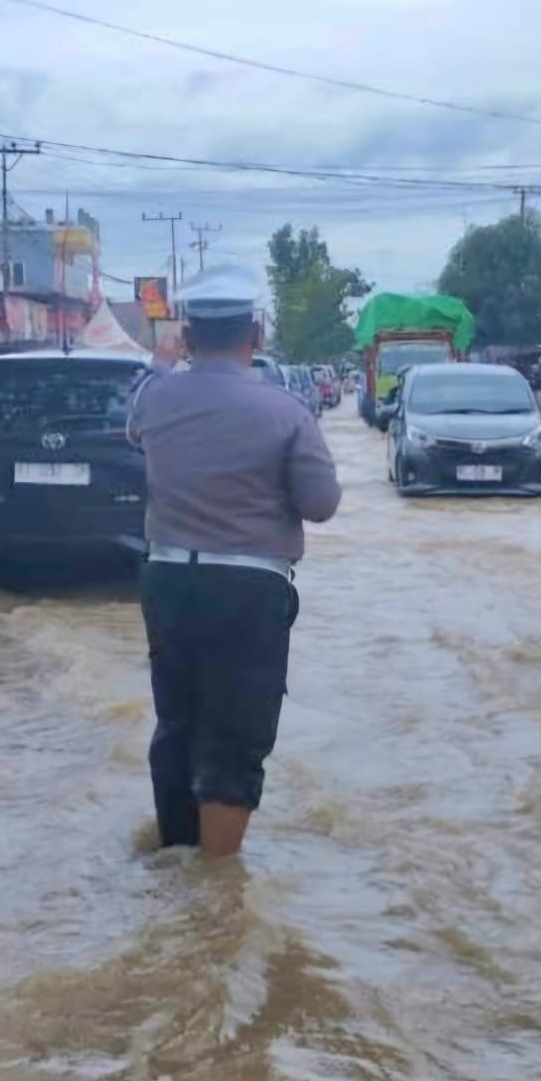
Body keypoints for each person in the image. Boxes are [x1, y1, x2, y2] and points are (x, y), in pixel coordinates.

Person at [126, 264, 342, 857]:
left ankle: (175, 857)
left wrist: (160, 361)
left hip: (167, 581)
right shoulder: (286, 410)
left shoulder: (157, 397)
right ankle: (216, 891)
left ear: (189, 336)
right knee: (235, 735)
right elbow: (321, 505)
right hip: (249, 591)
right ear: (257, 333)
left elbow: (132, 422)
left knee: (178, 725)